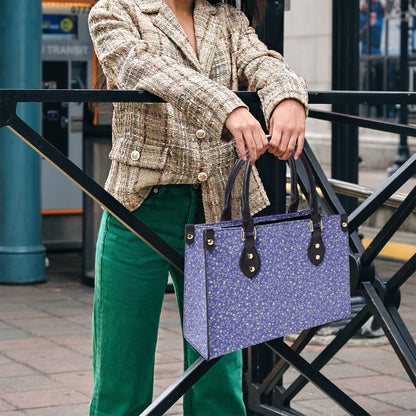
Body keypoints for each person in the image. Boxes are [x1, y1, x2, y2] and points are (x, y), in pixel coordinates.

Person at [88, 0, 308, 414]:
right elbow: (144, 67)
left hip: (219, 209)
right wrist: (230, 107)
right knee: (122, 375)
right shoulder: (114, 10)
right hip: (140, 209)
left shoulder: (225, 17)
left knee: (219, 381)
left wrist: (288, 97)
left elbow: (262, 61)